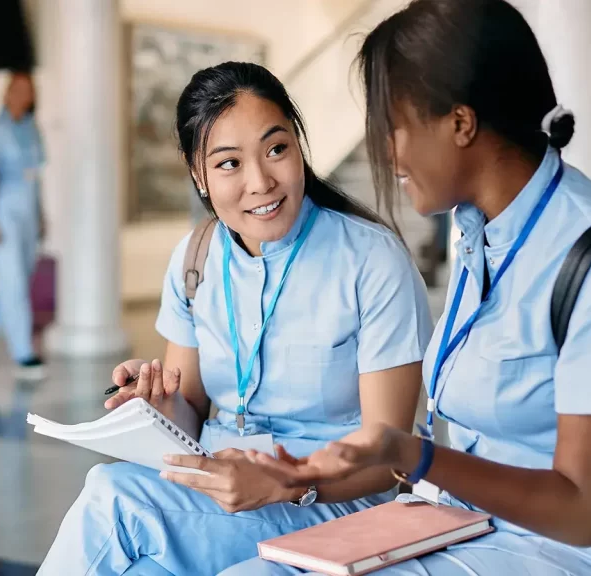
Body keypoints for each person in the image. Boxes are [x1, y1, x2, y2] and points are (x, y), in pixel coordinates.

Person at [226, 0, 591, 574]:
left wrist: (414, 456)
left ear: (461, 124)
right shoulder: (478, 235)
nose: (384, 153)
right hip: (466, 523)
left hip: (574, 553)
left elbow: (585, 512)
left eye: (393, 128)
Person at [36, 61, 435, 575]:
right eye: (229, 164)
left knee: (113, 498)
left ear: (298, 144)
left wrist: (287, 482)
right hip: (220, 495)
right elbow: (193, 412)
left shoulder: (372, 261)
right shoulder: (194, 258)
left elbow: (390, 463)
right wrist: (159, 405)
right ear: (197, 171)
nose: (261, 182)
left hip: (335, 504)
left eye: (276, 149)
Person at [0, 72, 47, 380]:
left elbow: (36, 176)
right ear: (7, 93)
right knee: (13, 282)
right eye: (17, 89)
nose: (22, 95)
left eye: (27, 90)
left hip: (28, 213)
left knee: (19, 280)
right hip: (3, 213)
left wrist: (42, 215)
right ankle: (23, 354)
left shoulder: (32, 128)